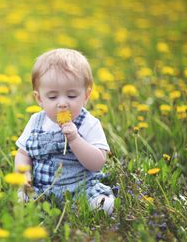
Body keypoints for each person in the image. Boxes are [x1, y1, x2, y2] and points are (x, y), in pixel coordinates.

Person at [15, 48, 114, 215]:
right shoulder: (35, 122)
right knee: (20, 201)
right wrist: (23, 173)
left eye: (72, 96)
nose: (62, 103)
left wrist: (75, 139)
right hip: (42, 189)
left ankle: (93, 205)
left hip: (81, 188)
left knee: (103, 206)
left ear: (86, 95)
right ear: (39, 98)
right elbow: (23, 153)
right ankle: (38, 207)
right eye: (53, 97)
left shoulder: (88, 124)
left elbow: (97, 163)